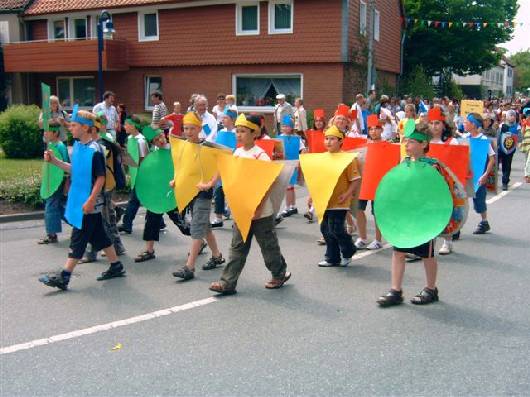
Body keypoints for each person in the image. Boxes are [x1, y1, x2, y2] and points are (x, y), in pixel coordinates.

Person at [38, 110, 125, 290]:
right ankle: (116, 265)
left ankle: (64, 276)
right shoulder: (78, 147)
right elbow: (74, 170)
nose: (70, 128)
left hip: (89, 204)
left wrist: (91, 200)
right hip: (79, 200)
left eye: (74, 125)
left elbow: (100, 178)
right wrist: (54, 161)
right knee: (99, 236)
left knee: (78, 237)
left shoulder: (95, 151)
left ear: (85, 128)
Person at [209, 114, 291, 295]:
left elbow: (268, 182)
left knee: (268, 247)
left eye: (243, 131)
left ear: (254, 133)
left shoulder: (260, 155)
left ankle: (279, 273)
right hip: (242, 210)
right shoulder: (237, 153)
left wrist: (260, 206)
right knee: (237, 248)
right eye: (237, 131)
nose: (238, 134)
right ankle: (227, 283)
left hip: (261, 212)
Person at [377, 123, 440, 307]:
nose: (407, 145)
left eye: (411, 142)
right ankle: (395, 290)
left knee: (426, 254)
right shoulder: (403, 164)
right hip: (404, 216)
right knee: (398, 251)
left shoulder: (432, 166)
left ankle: (431, 288)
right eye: (406, 141)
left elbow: (437, 193)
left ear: (423, 145)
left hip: (423, 218)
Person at [172, 111, 225, 281]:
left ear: (199, 128)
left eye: (192, 128)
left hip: (203, 192)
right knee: (205, 227)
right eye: (186, 128)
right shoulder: (183, 146)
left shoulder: (207, 146)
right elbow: (181, 166)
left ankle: (189, 267)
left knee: (196, 228)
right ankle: (217, 256)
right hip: (188, 190)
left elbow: (221, 163)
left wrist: (211, 183)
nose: (188, 132)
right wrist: (175, 179)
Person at [81, 112, 126, 263]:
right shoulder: (96, 144)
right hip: (102, 186)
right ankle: (112, 248)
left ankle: (114, 248)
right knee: (101, 220)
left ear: (93, 129)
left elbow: (97, 165)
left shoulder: (102, 144)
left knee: (105, 219)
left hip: (105, 186)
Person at [317, 125, 360, 267]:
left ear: (341, 141)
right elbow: (317, 180)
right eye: (326, 138)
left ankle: (348, 250)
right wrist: (313, 196)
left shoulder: (347, 159)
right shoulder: (322, 158)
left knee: (336, 228)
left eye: (332, 139)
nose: (328, 142)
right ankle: (332, 258)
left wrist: (347, 194)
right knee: (325, 229)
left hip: (340, 200)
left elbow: (355, 180)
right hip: (325, 200)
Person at [427, 107, 459, 255]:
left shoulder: (452, 142)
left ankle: (448, 241)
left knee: (446, 212)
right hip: (428, 183)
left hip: (446, 183)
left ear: (444, 125)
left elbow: (457, 165)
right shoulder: (424, 143)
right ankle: (426, 243)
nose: (434, 126)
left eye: (437, 123)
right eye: (432, 123)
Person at [355, 115, 384, 251]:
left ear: (381, 129)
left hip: (378, 183)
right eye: (371, 129)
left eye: (376, 128)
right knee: (358, 209)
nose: (373, 131)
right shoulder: (363, 146)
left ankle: (378, 240)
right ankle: (362, 237)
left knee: (377, 212)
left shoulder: (387, 147)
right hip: (363, 182)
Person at [463, 113, 496, 235]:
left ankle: (484, 222)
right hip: (465, 175)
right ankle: (457, 225)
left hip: (479, 177)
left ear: (473, 125)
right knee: (461, 200)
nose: (464, 124)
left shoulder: (483, 140)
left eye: (467, 122)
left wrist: (485, 174)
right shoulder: (464, 138)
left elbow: (492, 158)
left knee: (479, 202)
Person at [118, 115, 149, 234]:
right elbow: (129, 156)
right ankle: (160, 222)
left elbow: (145, 159)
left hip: (141, 175)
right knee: (144, 199)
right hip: (134, 173)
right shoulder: (129, 138)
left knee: (134, 200)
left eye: (126, 124)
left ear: (133, 126)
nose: (124, 126)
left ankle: (127, 224)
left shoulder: (141, 140)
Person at [38, 124, 69, 244]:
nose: (44, 134)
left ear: (55, 133)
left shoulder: (60, 147)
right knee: (59, 208)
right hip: (50, 182)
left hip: (58, 182)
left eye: (47, 132)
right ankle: (80, 225)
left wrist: (66, 184)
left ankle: (52, 235)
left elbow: (66, 165)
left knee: (50, 207)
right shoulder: (50, 145)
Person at [211, 109, 237, 228]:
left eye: (225, 118)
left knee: (232, 192)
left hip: (234, 165)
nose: (223, 120)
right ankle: (218, 217)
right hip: (221, 164)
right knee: (218, 191)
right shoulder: (220, 132)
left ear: (232, 120)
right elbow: (215, 144)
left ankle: (236, 218)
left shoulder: (237, 133)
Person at [276, 114, 306, 222]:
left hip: (293, 164)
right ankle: (292, 205)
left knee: (289, 186)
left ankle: (288, 207)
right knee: (289, 187)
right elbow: (276, 150)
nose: (285, 128)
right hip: (283, 164)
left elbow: (303, 149)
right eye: (283, 126)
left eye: (287, 126)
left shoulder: (297, 139)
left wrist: (300, 159)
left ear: (292, 127)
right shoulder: (279, 138)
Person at [497, 109, 521, 191]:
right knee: (495, 164)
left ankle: (505, 182)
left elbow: (519, 138)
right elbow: (498, 137)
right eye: (510, 115)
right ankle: (490, 181)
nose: (512, 117)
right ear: (507, 116)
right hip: (501, 148)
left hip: (510, 150)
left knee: (507, 166)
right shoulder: (502, 126)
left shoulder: (517, 127)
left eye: (514, 115)